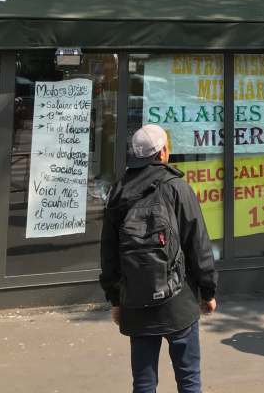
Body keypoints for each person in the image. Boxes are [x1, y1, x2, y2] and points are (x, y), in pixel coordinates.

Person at [100, 125, 217, 393]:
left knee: (143, 383)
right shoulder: (177, 188)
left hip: (135, 303)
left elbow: (109, 254)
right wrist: (208, 292)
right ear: (163, 152)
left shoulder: (118, 193)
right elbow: (198, 245)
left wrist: (116, 299)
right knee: (188, 379)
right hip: (179, 301)